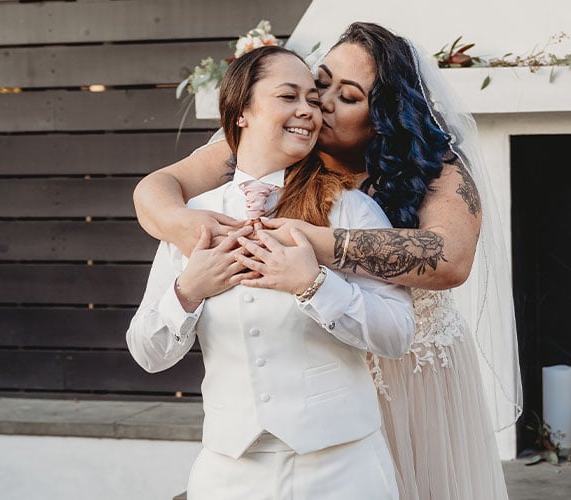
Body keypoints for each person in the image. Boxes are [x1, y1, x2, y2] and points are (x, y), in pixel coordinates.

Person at [134, 23, 522, 500]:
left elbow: (452, 259)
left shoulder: (432, 167)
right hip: (307, 381)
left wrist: (310, 242)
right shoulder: (271, 142)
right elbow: (155, 189)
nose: (321, 104)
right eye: (320, 85)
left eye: (350, 96)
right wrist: (188, 232)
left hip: (413, 378)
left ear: (383, 117)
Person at [126, 45, 415, 499]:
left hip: (343, 469)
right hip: (228, 474)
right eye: (288, 96)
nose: (308, 110)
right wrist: (188, 291)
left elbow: (398, 334)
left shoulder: (351, 210)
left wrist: (315, 285)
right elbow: (148, 352)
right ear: (242, 110)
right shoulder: (194, 219)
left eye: (313, 101)